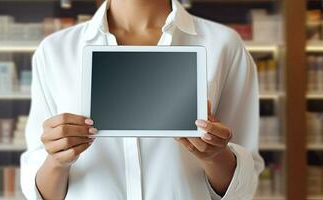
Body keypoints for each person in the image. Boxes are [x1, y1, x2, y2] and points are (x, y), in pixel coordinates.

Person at [20, 0, 264, 199]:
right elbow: (41, 192)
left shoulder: (223, 45)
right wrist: (57, 160)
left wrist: (215, 156)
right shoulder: (55, 51)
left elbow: (243, 185)